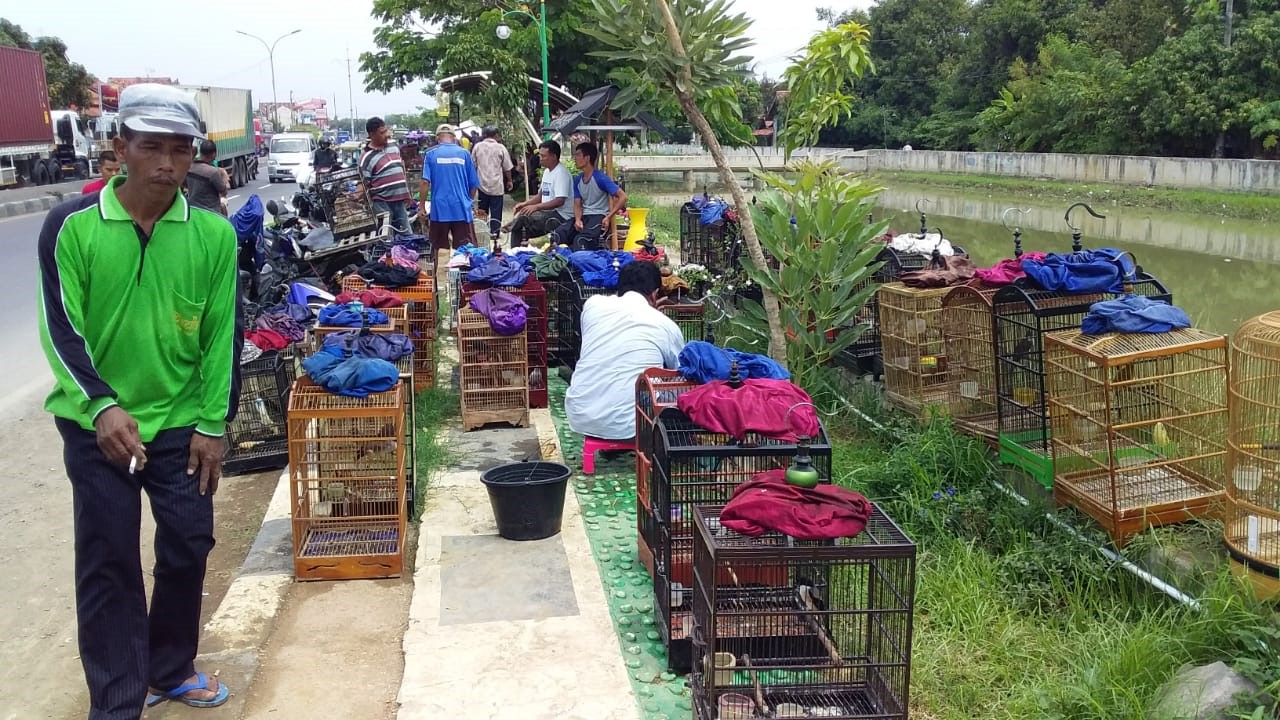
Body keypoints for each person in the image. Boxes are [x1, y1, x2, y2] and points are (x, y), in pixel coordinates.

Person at [37, 83, 238, 718]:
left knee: (188, 544)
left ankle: (170, 666)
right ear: (119, 146)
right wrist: (100, 405)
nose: (166, 165)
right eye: (151, 148)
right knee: (108, 562)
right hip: (98, 429)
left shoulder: (211, 234)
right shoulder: (71, 226)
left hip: (181, 424)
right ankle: (118, 701)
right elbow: (60, 325)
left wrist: (213, 423)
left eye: (181, 151)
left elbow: (221, 334)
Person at [565, 262, 685, 441]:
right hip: (631, 427)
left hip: (580, 416)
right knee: (680, 386)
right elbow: (680, 368)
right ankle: (676, 441)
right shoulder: (664, 324)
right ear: (654, 294)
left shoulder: (592, 305)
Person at [549, 141, 627, 250]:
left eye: (578, 155)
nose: (575, 158)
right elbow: (577, 204)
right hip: (585, 216)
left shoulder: (600, 178)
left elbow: (623, 197)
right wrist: (577, 220)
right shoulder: (577, 180)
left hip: (598, 217)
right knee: (558, 234)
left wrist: (608, 217)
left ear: (587, 158)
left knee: (580, 240)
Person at [417, 123, 481, 255]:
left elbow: (424, 182)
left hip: (440, 210)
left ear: (437, 138)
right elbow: (473, 185)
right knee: (465, 251)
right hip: (461, 208)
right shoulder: (464, 154)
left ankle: (439, 274)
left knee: (439, 250)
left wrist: (422, 207)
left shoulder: (430, 154)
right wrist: (468, 201)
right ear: (454, 137)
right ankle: (463, 274)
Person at [503, 139, 572, 247]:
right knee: (521, 222)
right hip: (548, 213)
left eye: (543, 156)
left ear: (554, 157)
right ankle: (515, 254)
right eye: (540, 155)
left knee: (523, 218)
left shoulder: (561, 173)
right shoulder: (547, 171)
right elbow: (541, 196)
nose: (540, 158)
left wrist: (536, 207)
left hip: (560, 216)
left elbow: (560, 201)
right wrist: (525, 204)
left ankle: (511, 225)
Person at [360, 116, 412, 233]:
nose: (387, 135)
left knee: (407, 235)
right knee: (387, 237)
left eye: (386, 130)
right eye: (382, 132)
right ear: (372, 134)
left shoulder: (393, 146)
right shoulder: (366, 157)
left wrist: (407, 192)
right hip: (382, 203)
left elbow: (401, 168)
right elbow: (365, 183)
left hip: (399, 200)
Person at [471, 126, 513, 244]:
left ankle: (482, 232)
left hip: (481, 185)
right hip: (496, 186)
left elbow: (472, 165)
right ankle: (495, 233)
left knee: (482, 211)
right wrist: (509, 180)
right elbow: (507, 167)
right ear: (496, 135)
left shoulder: (477, 147)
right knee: (496, 211)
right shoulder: (501, 148)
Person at [184, 139, 230, 216]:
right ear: (213, 154)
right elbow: (223, 191)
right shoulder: (212, 172)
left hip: (194, 210)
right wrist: (225, 179)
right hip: (211, 213)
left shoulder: (189, 168)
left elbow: (184, 185)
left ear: (200, 152)